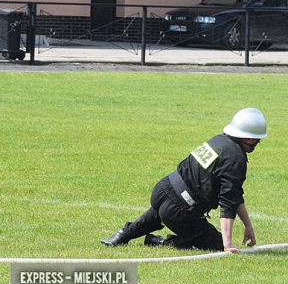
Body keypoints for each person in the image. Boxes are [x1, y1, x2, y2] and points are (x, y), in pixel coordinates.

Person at [100, 108, 267, 253]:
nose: (257, 143)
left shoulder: (218, 141)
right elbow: (228, 202)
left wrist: (248, 226)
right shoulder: (235, 159)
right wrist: (227, 244)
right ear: (249, 138)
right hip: (180, 211)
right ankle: (162, 242)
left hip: (162, 190)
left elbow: (234, 195)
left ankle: (123, 235)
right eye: (257, 140)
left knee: (161, 211)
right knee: (214, 243)